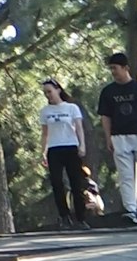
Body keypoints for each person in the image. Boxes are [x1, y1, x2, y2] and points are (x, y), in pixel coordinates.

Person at [94, 50, 137, 223]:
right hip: (120, 137)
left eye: (115, 68)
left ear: (126, 68)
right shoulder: (108, 92)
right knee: (126, 176)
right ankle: (130, 211)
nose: (113, 71)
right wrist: (108, 137)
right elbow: (105, 116)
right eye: (111, 68)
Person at [39, 79, 96, 227]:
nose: (48, 95)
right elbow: (45, 133)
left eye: (50, 91)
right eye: (45, 93)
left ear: (58, 90)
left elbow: (78, 128)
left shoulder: (71, 108)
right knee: (57, 183)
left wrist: (81, 145)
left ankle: (81, 217)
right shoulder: (45, 111)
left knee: (76, 183)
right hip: (54, 149)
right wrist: (43, 152)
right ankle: (64, 216)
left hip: (70, 147)